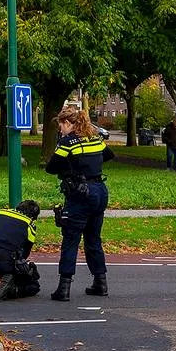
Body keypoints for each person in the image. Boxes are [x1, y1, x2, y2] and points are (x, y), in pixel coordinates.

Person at [46, 105, 114, 301]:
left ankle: (64, 288)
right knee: (93, 239)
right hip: (100, 191)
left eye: (61, 126)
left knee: (71, 239)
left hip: (80, 193)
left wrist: (72, 169)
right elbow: (109, 155)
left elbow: (51, 167)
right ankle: (100, 283)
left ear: (67, 123)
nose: (60, 130)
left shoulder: (68, 142)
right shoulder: (95, 138)